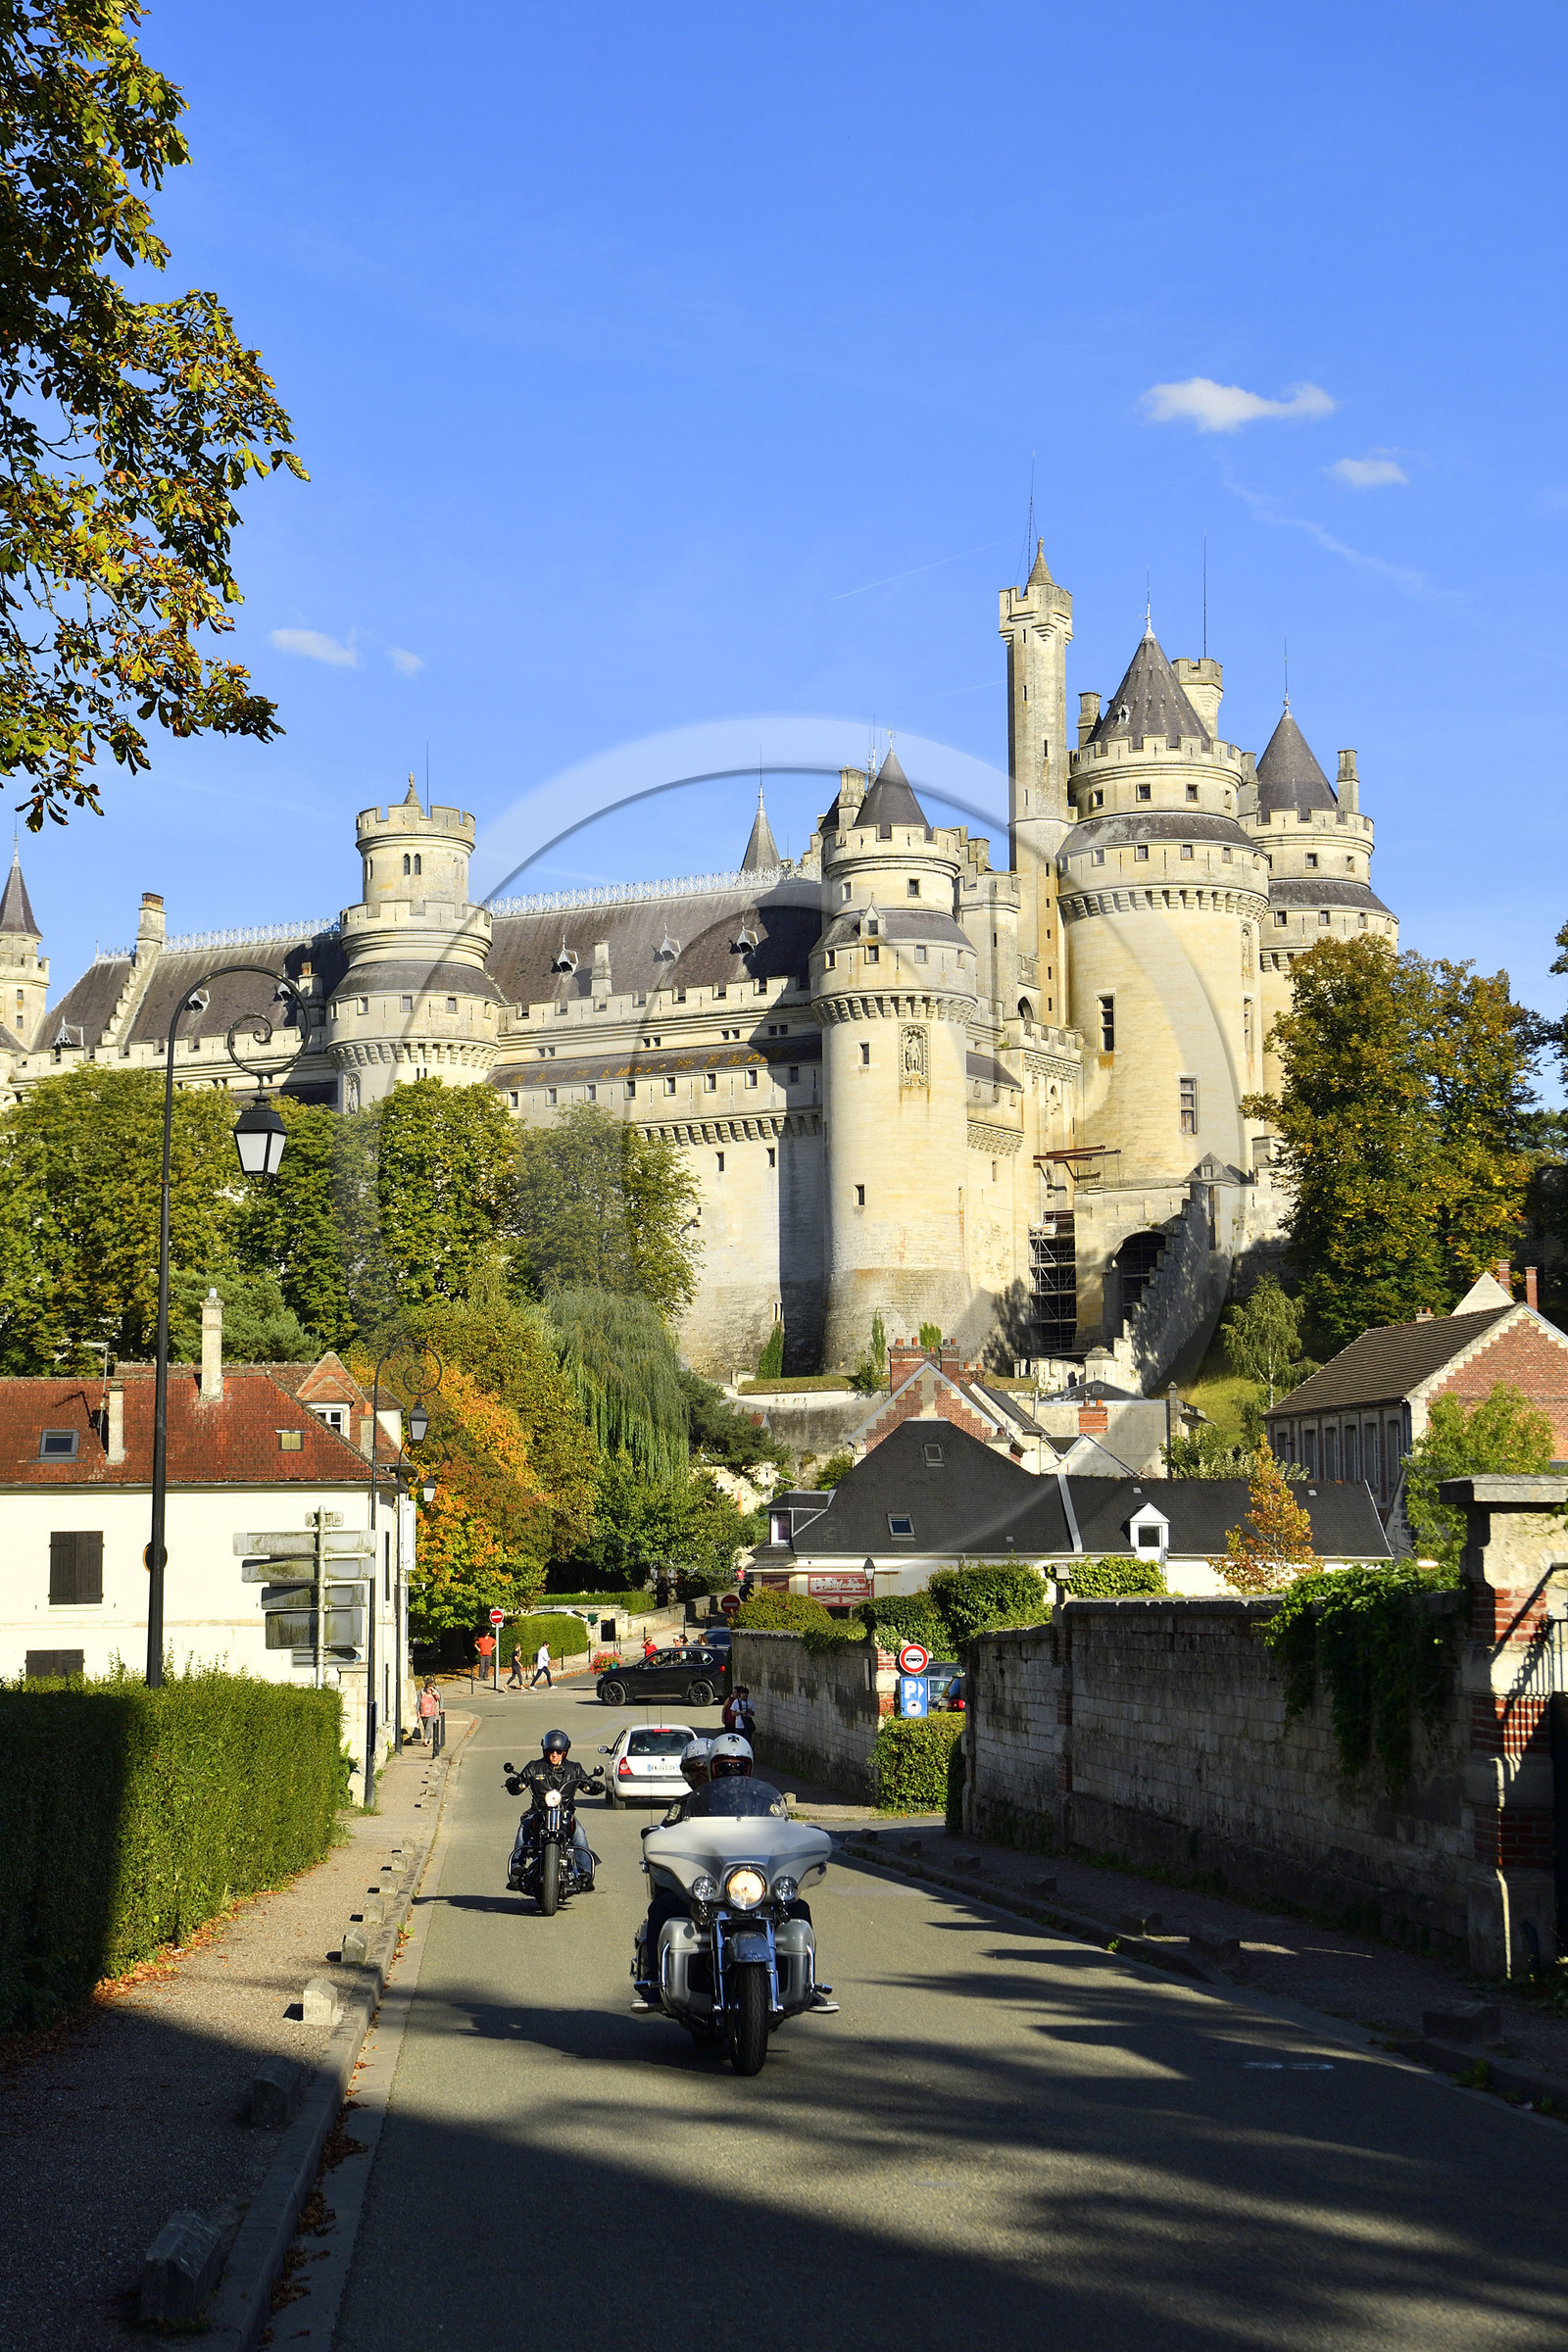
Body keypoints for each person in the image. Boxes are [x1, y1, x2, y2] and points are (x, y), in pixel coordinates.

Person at [507, 1729, 603, 1892]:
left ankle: (585, 1871)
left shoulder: (574, 1769)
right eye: (551, 1751)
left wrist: (595, 1787)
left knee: (579, 1832)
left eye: (559, 1751)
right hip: (539, 1812)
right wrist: (513, 1784)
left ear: (564, 1753)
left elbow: (586, 1786)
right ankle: (517, 1867)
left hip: (565, 1814)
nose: (554, 1755)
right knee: (524, 1826)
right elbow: (519, 1787)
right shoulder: (534, 1767)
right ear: (545, 1751)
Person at [416, 1678, 442, 1746]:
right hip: (423, 1712)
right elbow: (418, 1702)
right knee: (425, 1727)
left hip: (432, 1712)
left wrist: (441, 1708)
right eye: (428, 1686)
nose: (429, 1688)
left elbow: (439, 1699)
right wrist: (417, 1712)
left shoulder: (436, 1690)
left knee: (428, 1727)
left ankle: (425, 1740)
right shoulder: (422, 1691)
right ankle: (430, 1739)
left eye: (431, 1686)